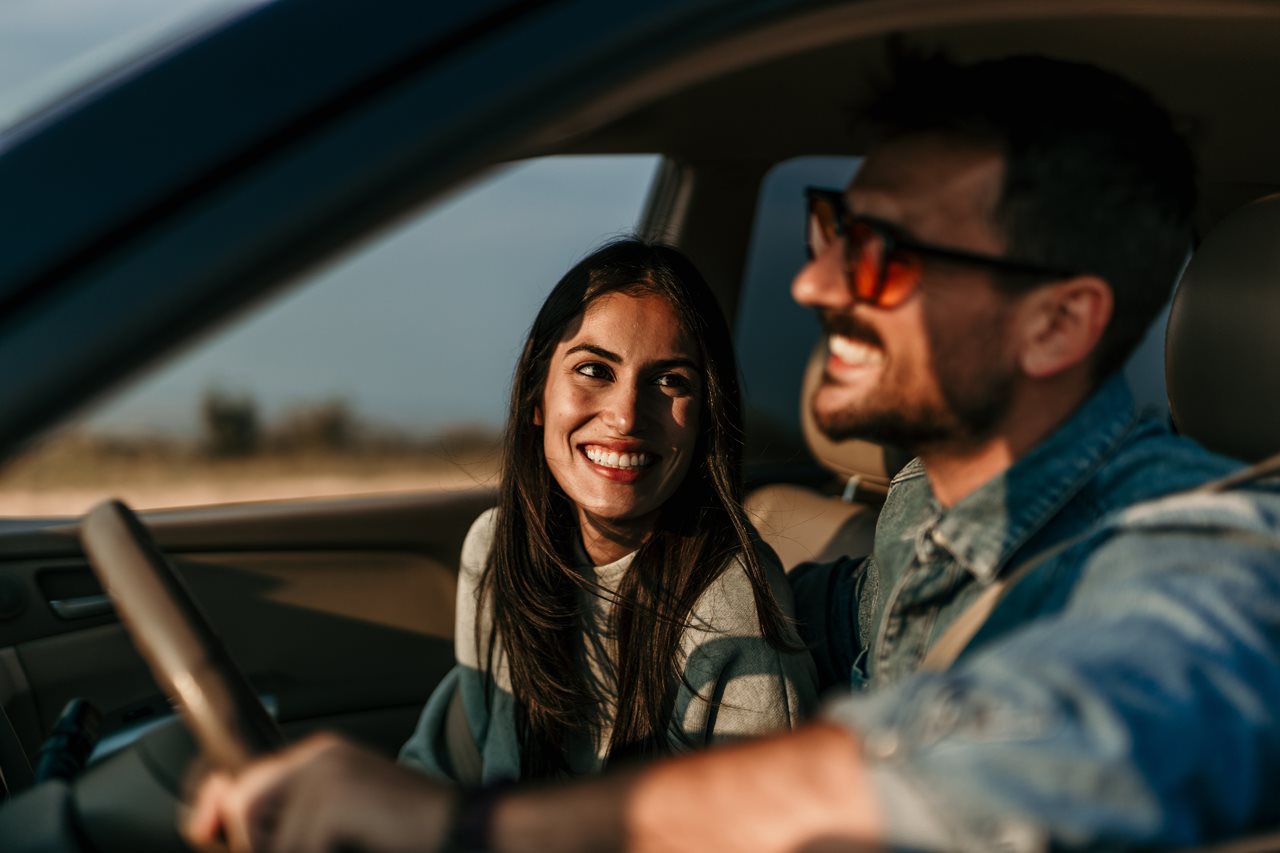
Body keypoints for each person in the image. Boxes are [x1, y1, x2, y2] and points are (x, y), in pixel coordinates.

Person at [186, 54, 1280, 852]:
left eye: (883, 258)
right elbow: (849, 629)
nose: (813, 286)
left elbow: (1068, 733)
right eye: (829, 232)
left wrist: (474, 829)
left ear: (1055, 325)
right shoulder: (920, 511)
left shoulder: (1201, 552)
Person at [399, 239, 816, 783]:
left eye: (670, 381)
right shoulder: (497, 547)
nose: (625, 417)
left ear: (707, 419)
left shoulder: (731, 608)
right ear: (536, 395)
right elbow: (443, 770)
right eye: (595, 370)